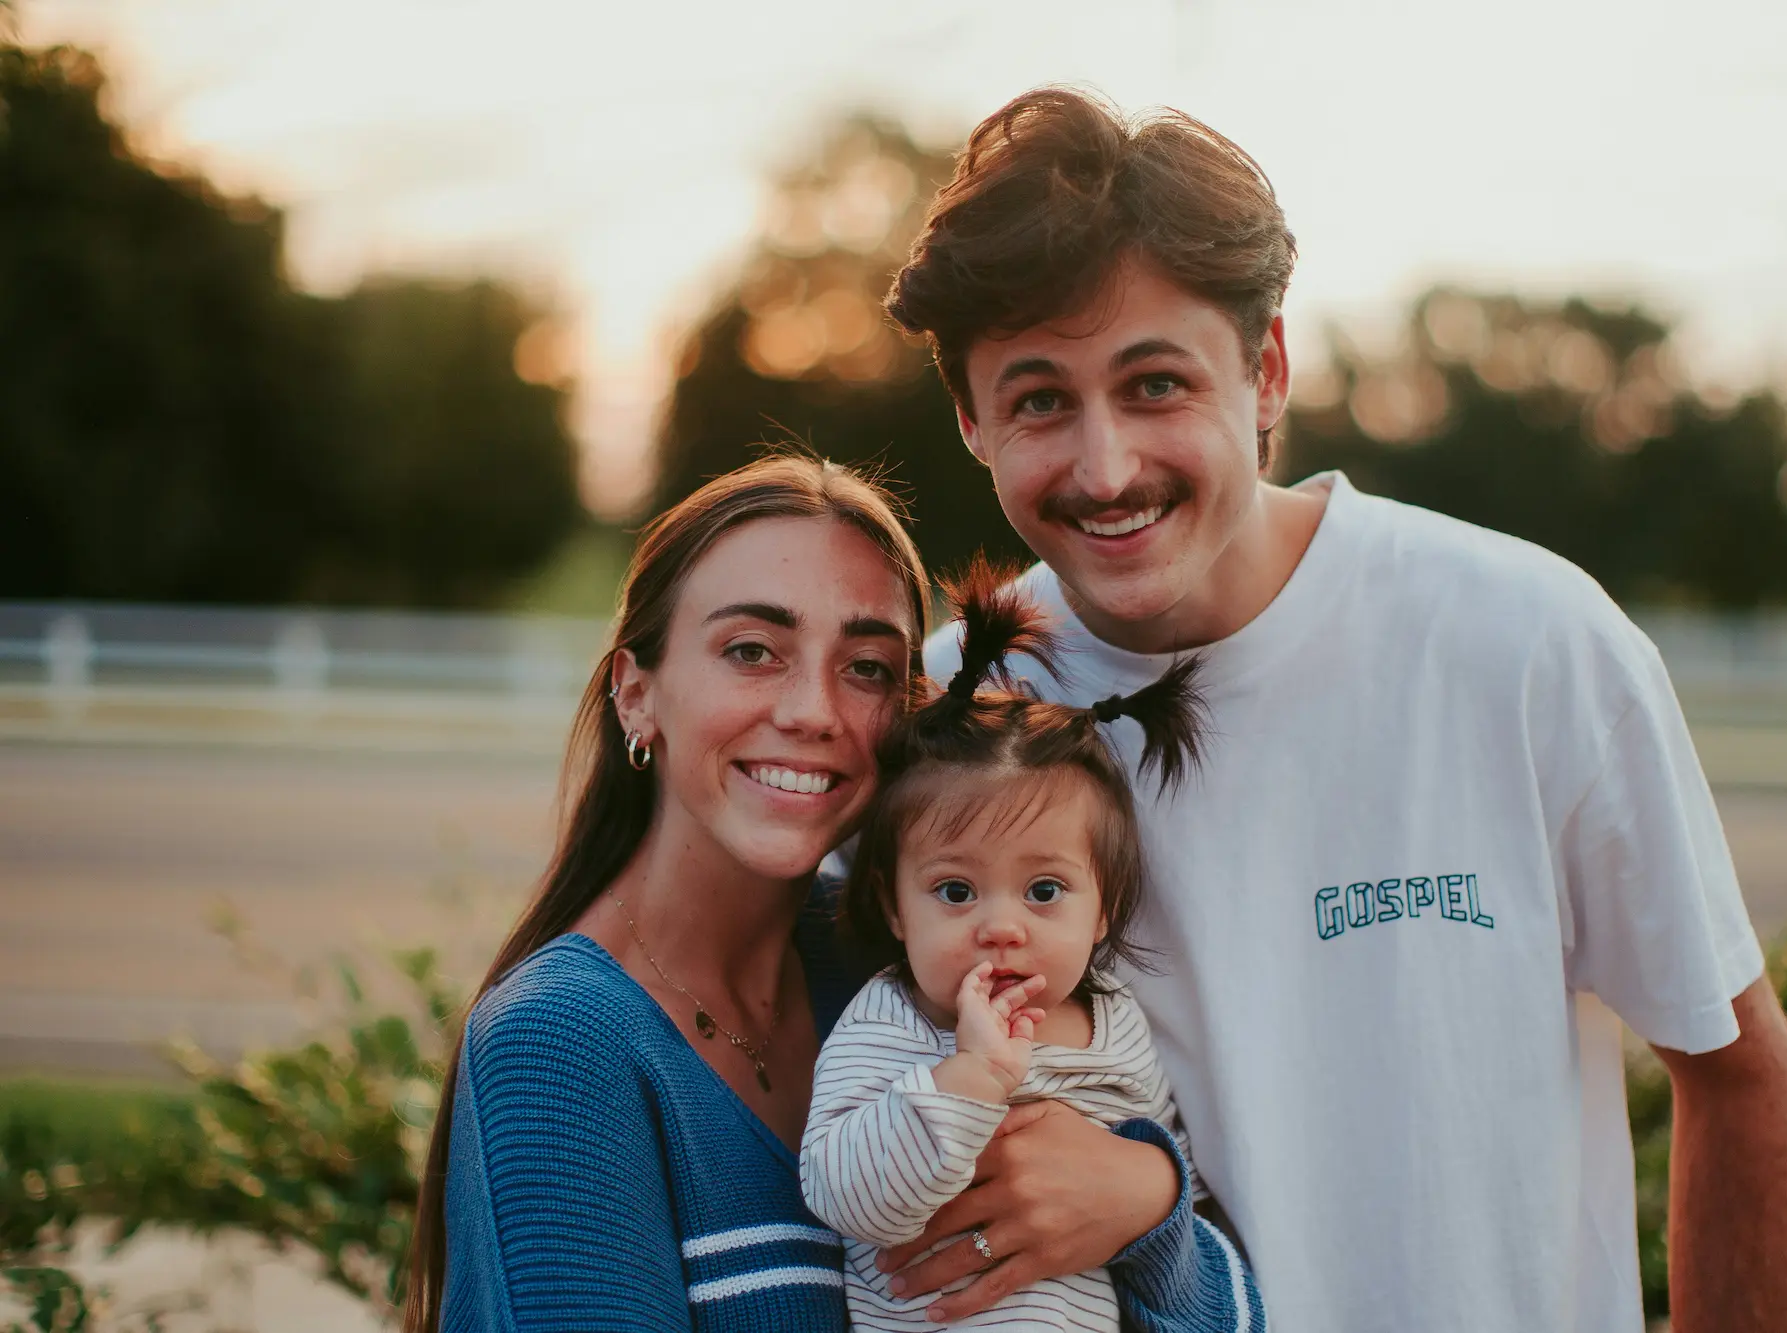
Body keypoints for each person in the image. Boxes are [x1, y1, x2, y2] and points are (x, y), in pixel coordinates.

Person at [885, 89, 1787, 1332]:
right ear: (971, 421)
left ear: (1264, 370)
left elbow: (1736, 1070)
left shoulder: (1525, 639)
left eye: (1154, 383)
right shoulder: (952, 709)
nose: (1104, 469)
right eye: (1040, 400)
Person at [400, 455, 1262, 1333]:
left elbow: (1228, 1314)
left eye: (867, 667)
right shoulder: (558, 1045)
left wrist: (1147, 1204)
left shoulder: (913, 959)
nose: (813, 709)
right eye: (751, 650)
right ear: (636, 692)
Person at [801, 563, 1259, 1332]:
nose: (1002, 926)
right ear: (894, 906)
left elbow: (1174, 1223)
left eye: (1044, 891)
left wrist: (1148, 1192)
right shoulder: (893, 1022)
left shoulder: (1116, 1027)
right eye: (955, 891)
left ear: (1104, 907)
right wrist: (969, 1078)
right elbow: (845, 1192)